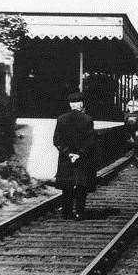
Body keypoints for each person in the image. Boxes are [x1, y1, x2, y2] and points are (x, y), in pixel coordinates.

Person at [53, 91, 96, 220]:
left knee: (67, 185)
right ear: (82, 104)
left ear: (70, 104)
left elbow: (56, 140)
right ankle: (79, 212)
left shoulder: (61, 119)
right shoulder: (88, 119)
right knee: (81, 185)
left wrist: (68, 153)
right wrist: (79, 154)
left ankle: (66, 212)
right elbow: (90, 141)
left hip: (66, 158)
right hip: (82, 158)